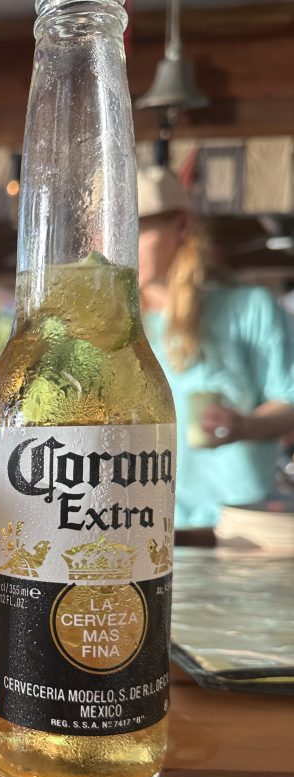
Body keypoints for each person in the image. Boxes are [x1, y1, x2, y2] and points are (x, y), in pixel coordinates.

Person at [137, 166, 294, 527]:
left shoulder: (249, 307)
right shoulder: (114, 325)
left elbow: (289, 400)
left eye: (139, 227)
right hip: (138, 521)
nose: (122, 242)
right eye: (114, 230)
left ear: (181, 226)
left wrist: (243, 426)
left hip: (233, 523)